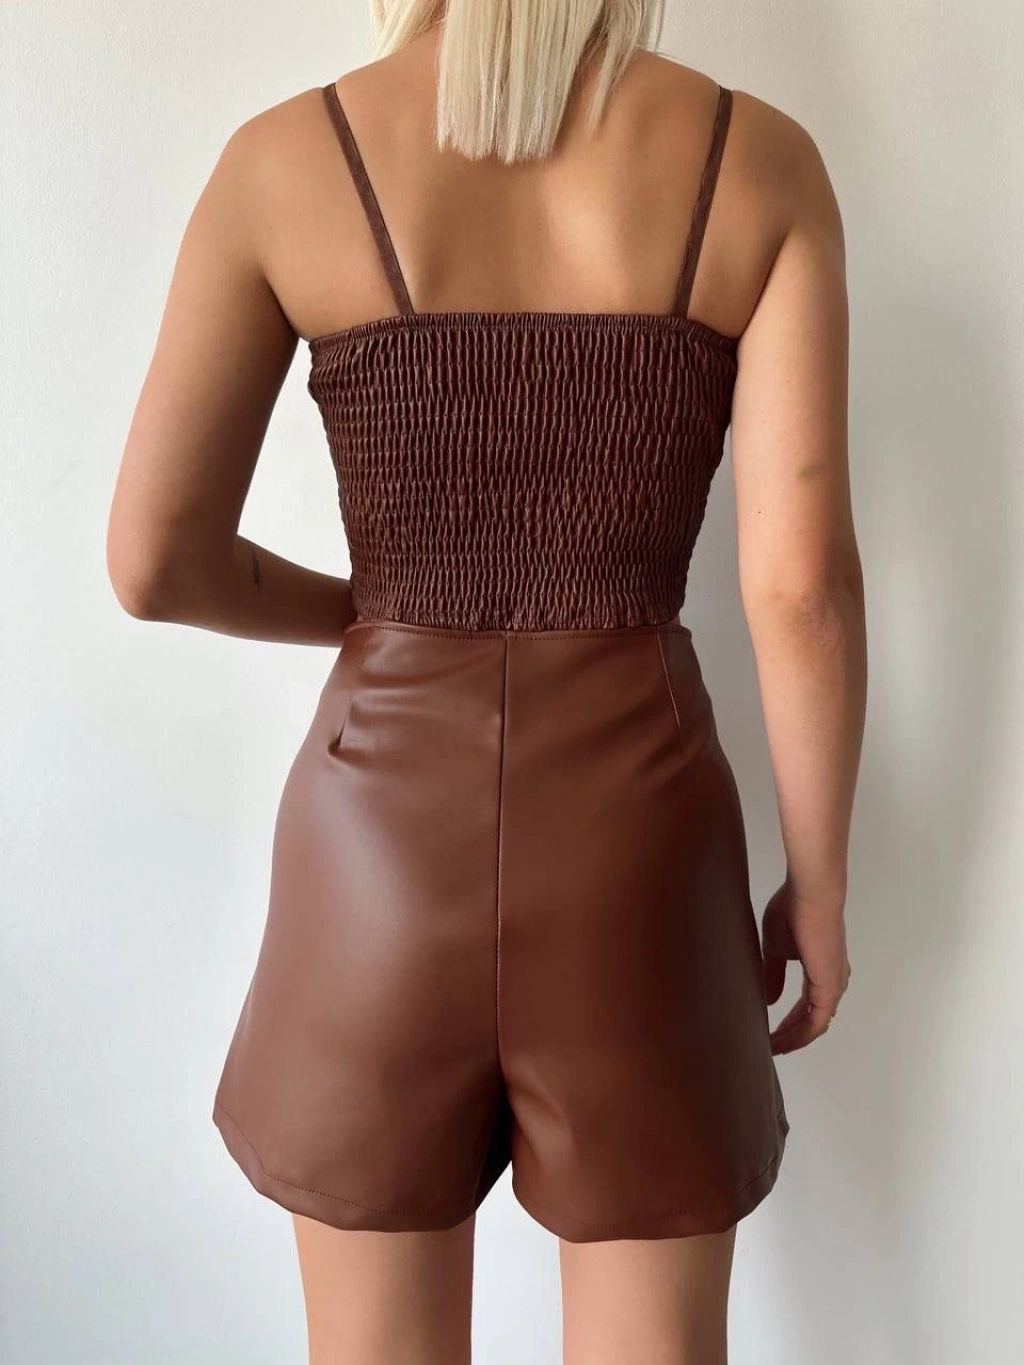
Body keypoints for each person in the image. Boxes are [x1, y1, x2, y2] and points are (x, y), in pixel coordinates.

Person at [106, 3, 865, 1361]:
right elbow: (799, 590)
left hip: (377, 846)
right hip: (642, 847)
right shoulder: (757, 160)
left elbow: (156, 561)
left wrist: (379, 620)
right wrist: (817, 888)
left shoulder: (285, 161)